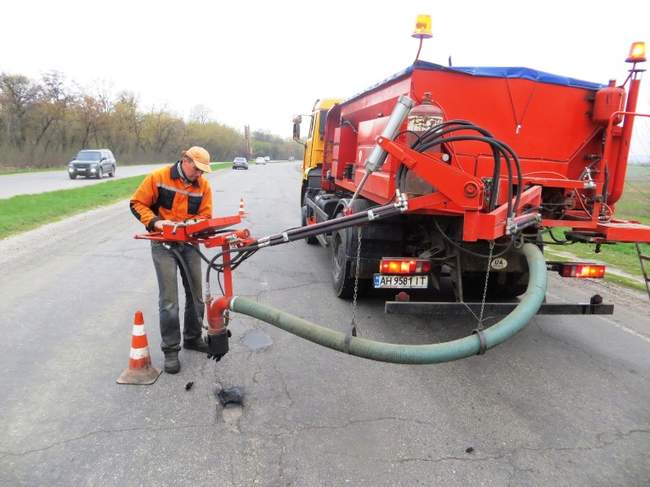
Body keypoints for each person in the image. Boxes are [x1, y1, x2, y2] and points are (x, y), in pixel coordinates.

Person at [130, 146, 213, 374]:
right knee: (169, 301)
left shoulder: (203, 186)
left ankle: (193, 338)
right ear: (185, 160)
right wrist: (156, 222)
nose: (199, 175)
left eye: (202, 171)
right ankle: (170, 350)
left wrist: (192, 225)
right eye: (197, 169)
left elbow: (206, 215)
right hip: (162, 243)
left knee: (197, 296)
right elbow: (137, 203)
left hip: (189, 242)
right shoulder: (159, 178)